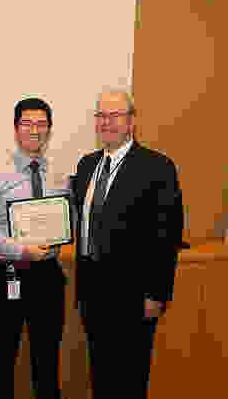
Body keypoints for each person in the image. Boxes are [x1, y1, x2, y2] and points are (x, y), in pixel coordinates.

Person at [72, 89, 183, 399]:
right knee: (101, 375)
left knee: (130, 379)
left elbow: (166, 236)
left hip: (134, 296)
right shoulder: (86, 166)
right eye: (101, 116)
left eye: (115, 115)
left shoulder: (157, 167)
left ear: (131, 121)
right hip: (93, 293)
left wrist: (156, 294)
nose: (107, 122)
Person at [0, 97, 67, 399]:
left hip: (48, 275)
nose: (34, 130)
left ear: (49, 130)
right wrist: (19, 250)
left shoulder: (59, 173)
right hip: (7, 275)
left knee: (47, 361)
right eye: (27, 123)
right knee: (2, 359)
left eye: (41, 124)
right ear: (15, 129)